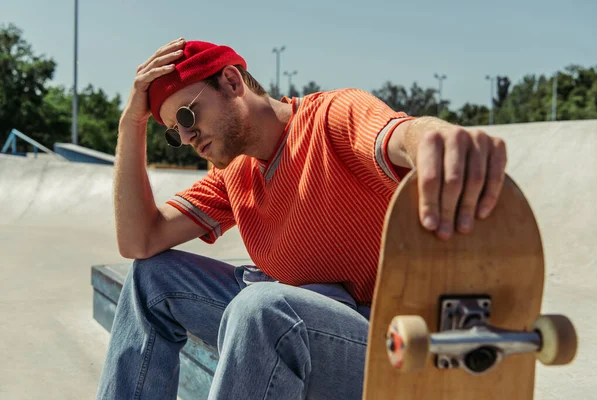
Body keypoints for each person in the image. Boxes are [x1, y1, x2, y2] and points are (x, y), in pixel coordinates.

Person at [96, 38, 507, 399]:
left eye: (187, 117)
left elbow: (401, 135)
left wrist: (437, 140)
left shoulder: (332, 116)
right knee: (152, 278)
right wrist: (130, 123)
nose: (186, 138)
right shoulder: (232, 173)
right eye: (174, 132)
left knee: (262, 307)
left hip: (388, 341)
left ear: (232, 82)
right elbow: (139, 241)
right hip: (296, 317)